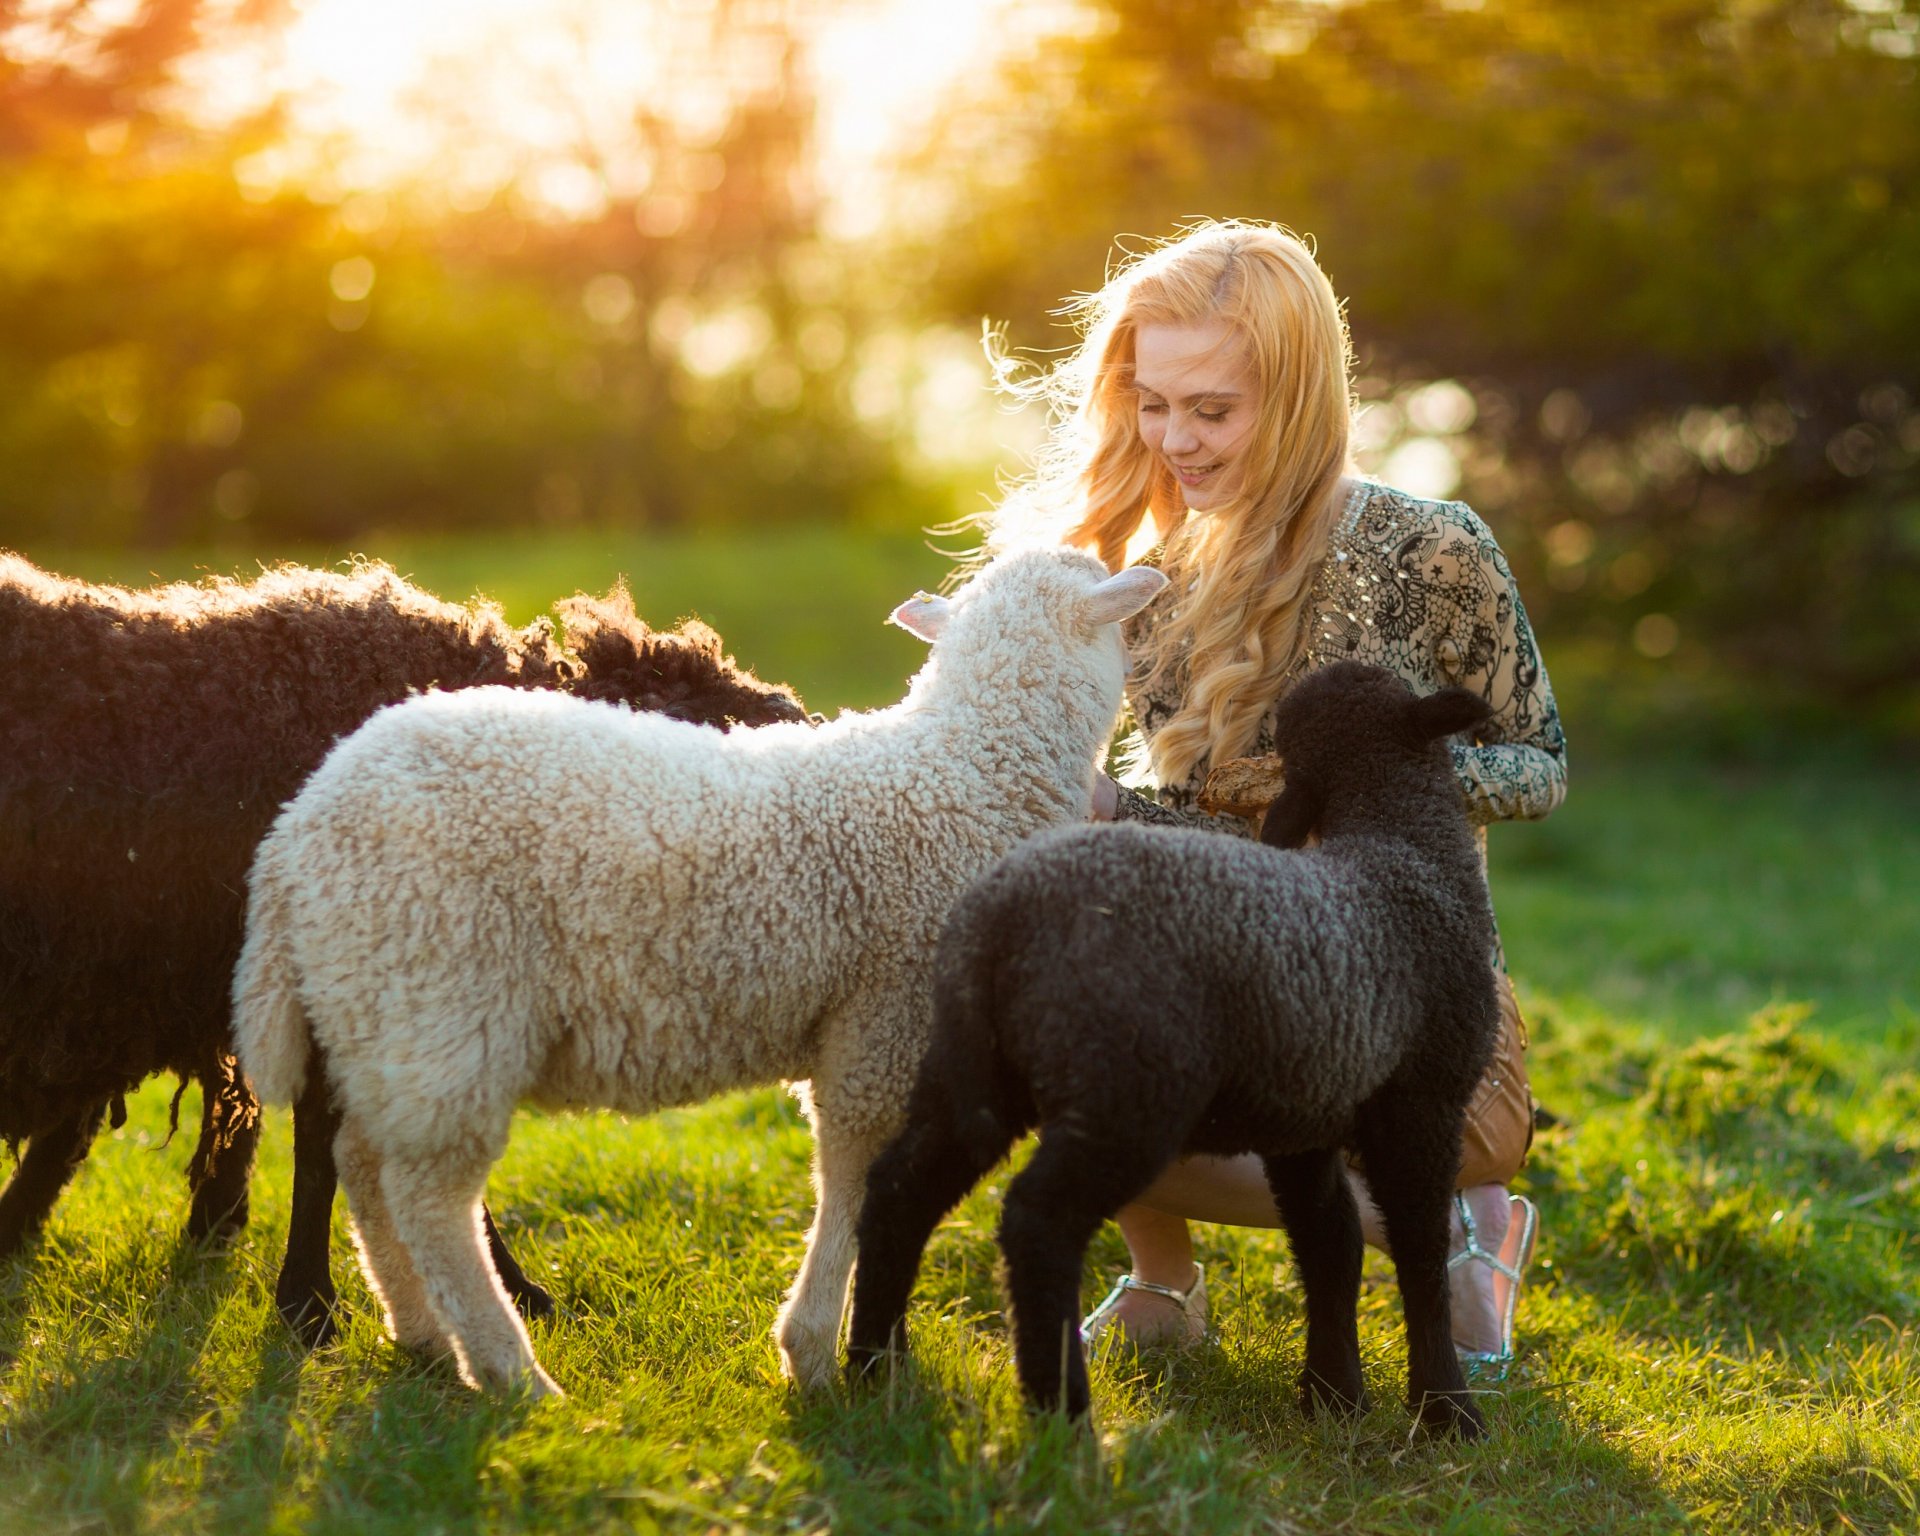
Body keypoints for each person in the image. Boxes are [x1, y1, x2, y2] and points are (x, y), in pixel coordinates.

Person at [982, 220, 1567, 1380]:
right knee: (1037, 1060)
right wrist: (1088, 805)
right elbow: (1163, 834)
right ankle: (1163, 1280)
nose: (1176, 439)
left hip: (1406, 1001)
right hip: (1222, 978)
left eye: (1214, 408)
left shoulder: (1432, 548)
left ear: (1299, 396)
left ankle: (1459, 1217)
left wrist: (1388, 772)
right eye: (1154, 404)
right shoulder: (1135, 566)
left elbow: (1542, 763)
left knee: (1362, 1130)